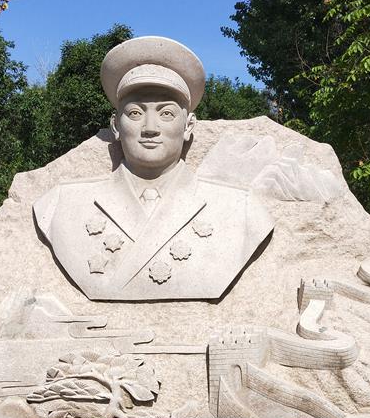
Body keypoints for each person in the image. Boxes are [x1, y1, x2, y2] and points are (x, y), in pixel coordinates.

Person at [33, 36, 273, 301]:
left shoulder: (240, 208)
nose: (149, 128)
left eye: (166, 113)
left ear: (188, 126)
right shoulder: (61, 204)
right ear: (116, 126)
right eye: (135, 113)